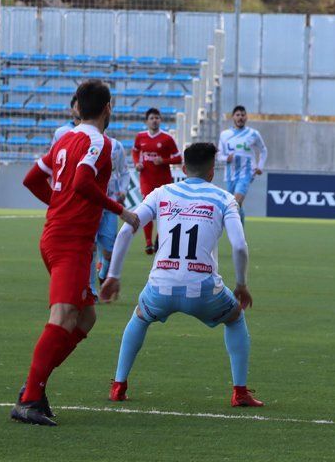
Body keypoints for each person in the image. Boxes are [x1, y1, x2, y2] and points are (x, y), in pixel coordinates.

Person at [13, 79, 139, 426]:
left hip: (66, 237)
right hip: (68, 240)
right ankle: (30, 398)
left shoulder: (65, 138)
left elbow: (31, 179)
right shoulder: (99, 141)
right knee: (64, 317)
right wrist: (120, 210)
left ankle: (33, 385)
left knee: (86, 318)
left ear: (76, 108)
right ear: (108, 108)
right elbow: (83, 181)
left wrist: (58, 203)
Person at [101, 142, 263, 408]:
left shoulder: (161, 193)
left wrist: (113, 275)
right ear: (212, 171)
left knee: (140, 318)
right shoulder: (224, 198)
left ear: (183, 168)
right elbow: (239, 246)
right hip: (204, 290)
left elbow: (126, 230)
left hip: (161, 287)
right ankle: (240, 392)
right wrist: (241, 285)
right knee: (235, 319)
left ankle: (118, 386)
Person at [132, 108, 182, 255]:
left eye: (157, 118)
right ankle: (148, 242)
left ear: (160, 120)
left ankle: (159, 239)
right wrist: (137, 163)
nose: (155, 120)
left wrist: (164, 160)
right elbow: (135, 151)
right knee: (147, 209)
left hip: (164, 181)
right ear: (147, 121)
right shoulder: (140, 137)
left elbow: (179, 158)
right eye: (152, 118)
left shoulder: (167, 139)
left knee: (163, 212)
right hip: (146, 179)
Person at [93, 129, 130, 290]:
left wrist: (123, 189)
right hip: (91, 205)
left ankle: (102, 275)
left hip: (110, 204)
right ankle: (90, 289)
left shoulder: (116, 146)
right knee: (90, 249)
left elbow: (124, 172)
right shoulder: (86, 142)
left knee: (109, 251)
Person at [217, 106, 267, 223]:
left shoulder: (253, 134)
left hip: (247, 172)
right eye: (238, 115)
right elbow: (219, 155)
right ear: (233, 117)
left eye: (243, 115)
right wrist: (226, 158)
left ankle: (235, 234)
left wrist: (260, 166)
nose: (240, 117)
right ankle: (241, 233)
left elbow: (263, 150)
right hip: (230, 174)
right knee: (236, 205)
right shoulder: (225, 134)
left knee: (235, 203)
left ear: (246, 117)